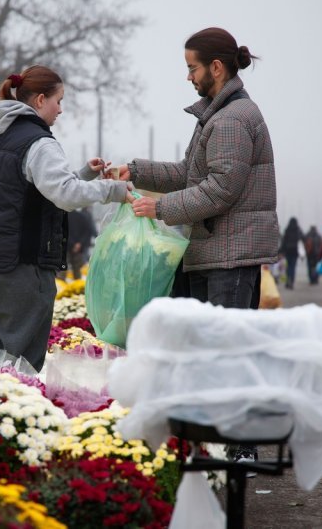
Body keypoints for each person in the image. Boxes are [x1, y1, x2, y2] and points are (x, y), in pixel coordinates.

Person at [110, 27, 279, 469]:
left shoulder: (231, 119)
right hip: (214, 251)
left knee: (228, 355)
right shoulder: (218, 117)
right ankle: (213, 439)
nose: (188, 77)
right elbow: (191, 172)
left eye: (192, 68)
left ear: (216, 68)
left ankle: (240, 447)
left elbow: (221, 188)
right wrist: (136, 170)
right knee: (205, 353)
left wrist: (161, 208)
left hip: (229, 255)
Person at [0, 65, 132, 373]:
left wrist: (84, 173)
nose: (61, 109)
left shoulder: (4, 137)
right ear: (41, 100)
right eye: (59, 100)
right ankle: (12, 415)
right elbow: (65, 195)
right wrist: (113, 189)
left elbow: (37, 190)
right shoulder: (39, 142)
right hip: (21, 270)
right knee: (22, 365)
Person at [65, 208, 97, 281]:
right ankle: (78, 289)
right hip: (78, 248)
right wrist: (79, 244)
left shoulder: (64, 217)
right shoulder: (82, 216)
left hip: (66, 246)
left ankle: (62, 288)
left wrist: (72, 243)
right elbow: (88, 230)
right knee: (77, 269)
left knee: (63, 269)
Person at [279, 217, 304, 289]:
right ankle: (291, 282)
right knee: (293, 267)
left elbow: (284, 241)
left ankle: (288, 281)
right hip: (295, 252)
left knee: (288, 267)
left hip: (288, 251)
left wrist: (281, 251)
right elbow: (302, 239)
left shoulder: (287, 230)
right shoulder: (298, 230)